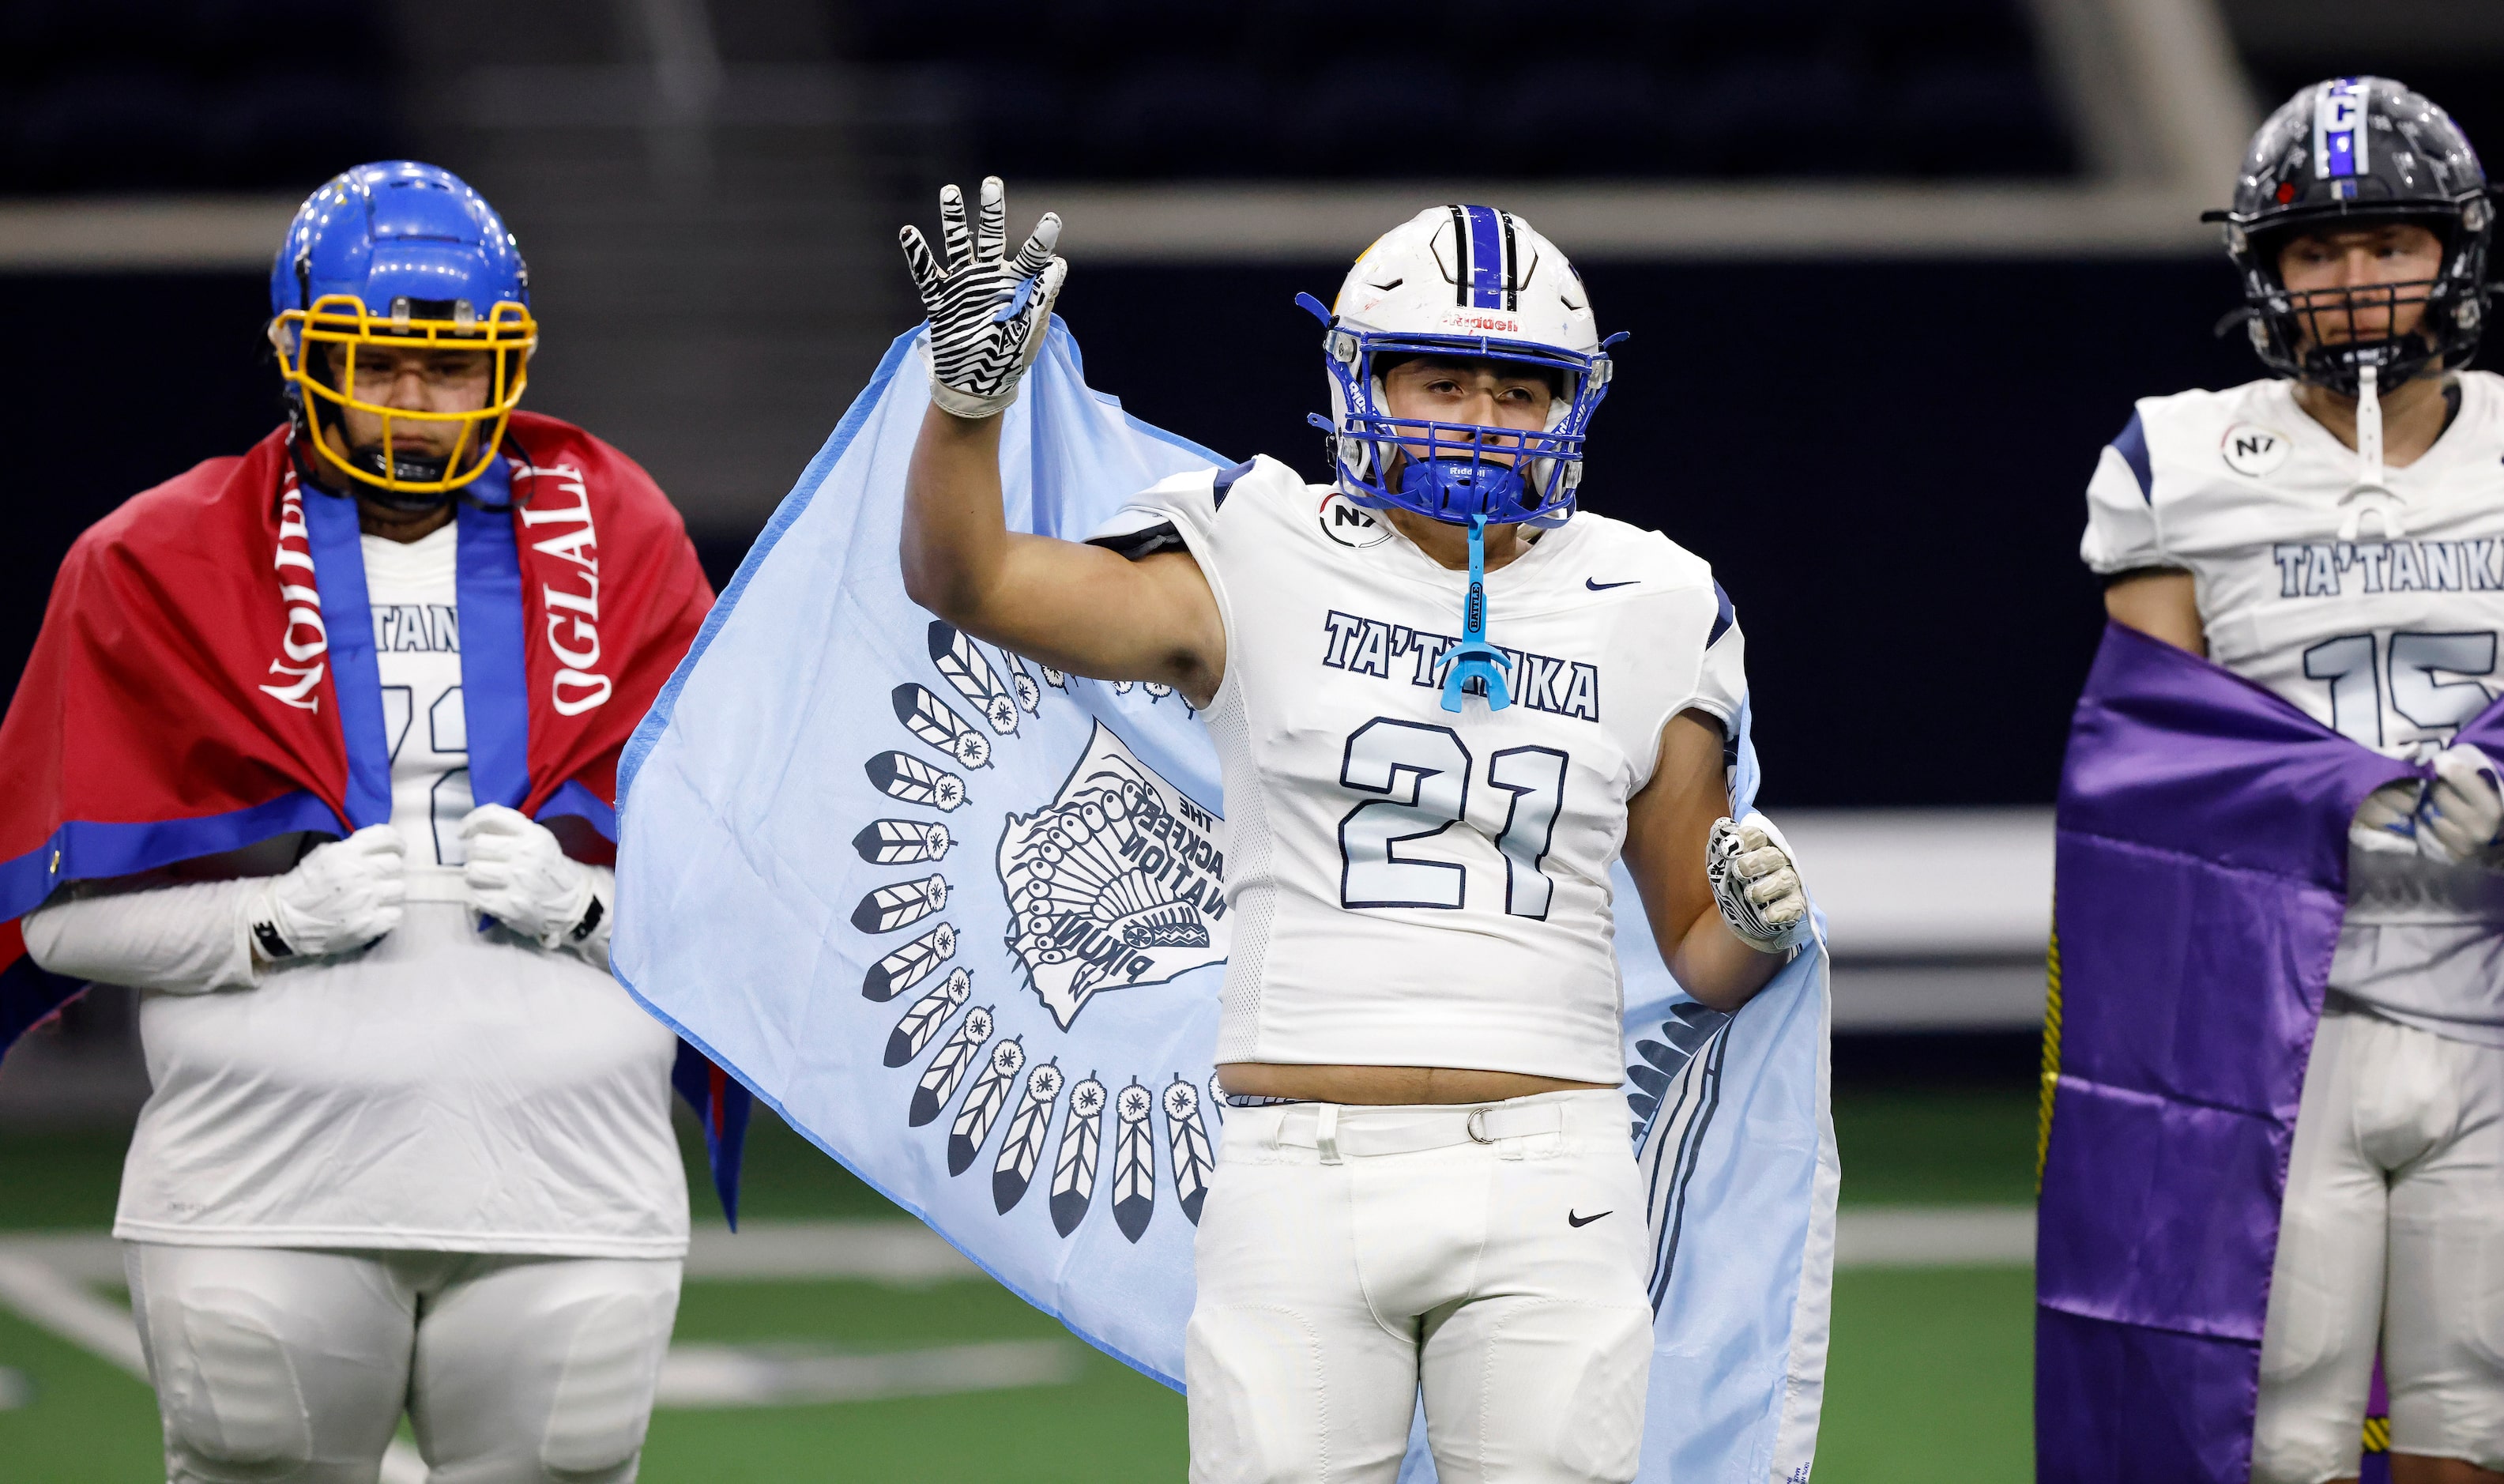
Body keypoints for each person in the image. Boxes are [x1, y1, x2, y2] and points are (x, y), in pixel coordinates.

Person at [894, 178, 1812, 1483]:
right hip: (1299, 1161)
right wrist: (966, 408)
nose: (1483, 420)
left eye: (1520, 388)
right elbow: (965, 577)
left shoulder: (1651, 596)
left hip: (1551, 1169)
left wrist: (1757, 925)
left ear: (1574, 402)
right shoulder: (1256, 544)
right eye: (1440, 380)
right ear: (1357, 380)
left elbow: (1694, 947)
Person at [0, 160, 717, 1483]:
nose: (412, 401)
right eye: (373, 362)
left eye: (445, 367)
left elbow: (736, 901)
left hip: (573, 1183)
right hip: (262, 1180)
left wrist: (593, 905)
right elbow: (53, 921)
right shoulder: (152, 561)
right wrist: (265, 919)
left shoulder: (624, 539)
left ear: (503, 360)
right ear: (298, 352)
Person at [2080, 77, 2504, 1484]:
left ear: (2453, 251)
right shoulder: (2180, 458)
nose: (2354, 279)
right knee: (2280, 1426)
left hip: (2490, 993)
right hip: (2280, 1013)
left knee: (2475, 1410)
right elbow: (2153, 752)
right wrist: (2333, 795)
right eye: (2316, 250)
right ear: (2266, 273)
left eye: (2388, 242)